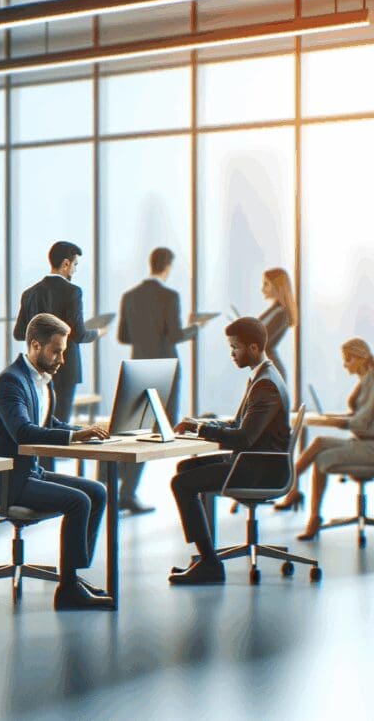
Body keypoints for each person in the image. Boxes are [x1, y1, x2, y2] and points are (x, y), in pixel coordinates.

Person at [0, 313, 114, 611]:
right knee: (79, 502)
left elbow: (48, 421)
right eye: (57, 351)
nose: (62, 359)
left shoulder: (41, 381)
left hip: (30, 473)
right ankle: (67, 591)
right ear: (35, 346)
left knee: (97, 492)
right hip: (5, 479)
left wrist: (84, 432)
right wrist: (76, 439)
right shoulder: (10, 382)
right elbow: (24, 432)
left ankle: (73, 577)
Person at [168, 317, 290, 585]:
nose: (232, 354)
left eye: (235, 348)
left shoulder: (265, 385)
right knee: (186, 469)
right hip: (253, 461)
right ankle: (206, 556)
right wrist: (200, 424)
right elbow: (238, 425)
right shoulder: (260, 376)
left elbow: (244, 438)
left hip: (259, 468)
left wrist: (201, 431)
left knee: (181, 483)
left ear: (254, 348)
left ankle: (210, 564)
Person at [114, 247, 199, 515]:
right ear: (167, 266)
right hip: (165, 366)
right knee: (160, 429)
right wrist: (194, 328)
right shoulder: (169, 296)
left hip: (138, 366)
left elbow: (123, 337)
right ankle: (126, 491)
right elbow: (174, 335)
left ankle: (124, 487)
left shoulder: (129, 296)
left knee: (135, 429)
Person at [282, 338, 374, 540]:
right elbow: (360, 417)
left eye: (348, 360)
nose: (344, 365)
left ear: (360, 358)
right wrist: (339, 419)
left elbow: (361, 422)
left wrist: (335, 422)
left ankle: (308, 511)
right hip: (362, 442)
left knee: (322, 458)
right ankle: (292, 488)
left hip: (370, 448)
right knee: (319, 443)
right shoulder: (365, 381)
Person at [13, 241, 108, 424]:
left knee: (39, 422)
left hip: (37, 367)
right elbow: (78, 335)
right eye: (75, 265)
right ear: (65, 263)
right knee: (60, 424)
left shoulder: (29, 293)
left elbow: (19, 333)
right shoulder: (73, 292)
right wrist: (98, 332)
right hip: (65, 367)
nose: (74, 270)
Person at [259, 267, 298, 383]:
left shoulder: (281, 314)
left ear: (277, 286)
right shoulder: (275, 310)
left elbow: (264, 342)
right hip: (267, 367)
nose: (262, 289)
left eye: (266, 284)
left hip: (272, 370)